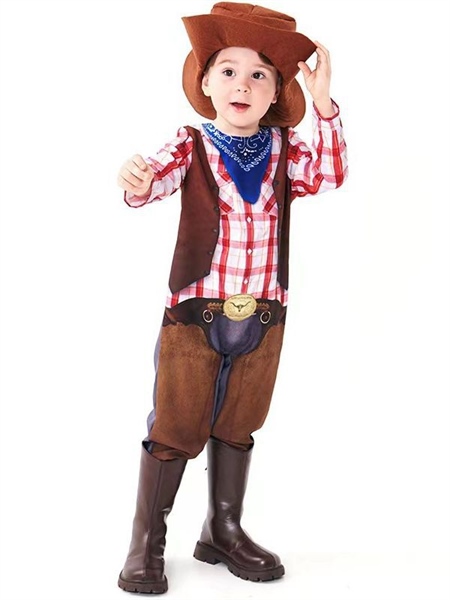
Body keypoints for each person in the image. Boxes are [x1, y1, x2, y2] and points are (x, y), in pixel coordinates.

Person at [116, 1, 348, 594]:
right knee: (176, 422)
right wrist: (138, 180)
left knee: (240, 421)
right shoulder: (190, 143)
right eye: (228, 71)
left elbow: (328, 174)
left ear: (276, 93)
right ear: (205, 83)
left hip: (265, 313)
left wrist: (323, 105)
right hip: (196, 314)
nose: (242, 84)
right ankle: (147, 542)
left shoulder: (286, 150)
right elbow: (154, 182)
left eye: (259, 75)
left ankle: (222, 529)